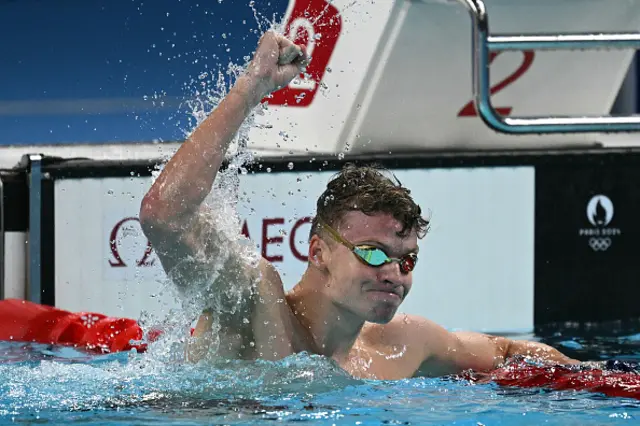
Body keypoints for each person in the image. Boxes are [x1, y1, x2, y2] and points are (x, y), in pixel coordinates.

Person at [139, 31, 578, 380]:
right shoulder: (256, 303)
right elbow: (164, 215)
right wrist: (248, 91)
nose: (392, 273)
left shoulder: (403, 345)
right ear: (317, 252)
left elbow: (506, 351)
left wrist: (589, 378)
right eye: (372, 252)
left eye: (406, 262)